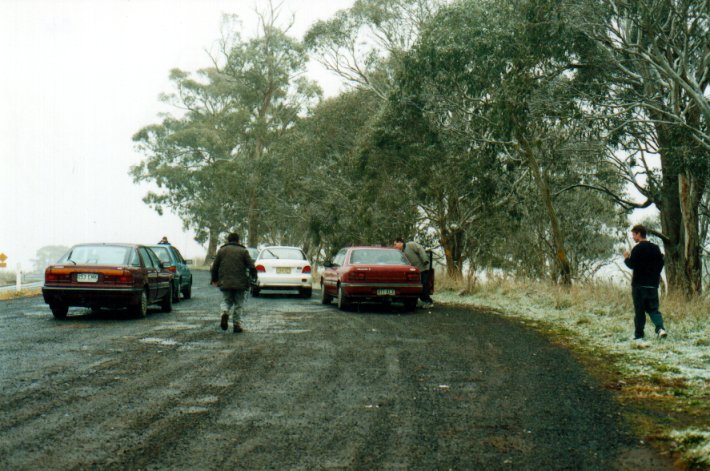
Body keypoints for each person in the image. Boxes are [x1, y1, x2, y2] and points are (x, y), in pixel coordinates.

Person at [623, 224, 667, 340]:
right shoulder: (656, 248)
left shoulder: (637, 249)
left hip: (639, 286)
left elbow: (631, 264)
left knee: (640, 311)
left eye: (633, 234)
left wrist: (626, 258)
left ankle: (639, 336)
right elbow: (661, 263)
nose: (633, 237)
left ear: (638, 234)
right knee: (654, 310)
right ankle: (660, 328)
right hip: (653, 285)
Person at [210, 233, 256, 333]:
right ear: (238, 240)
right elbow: (251, 266)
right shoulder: (243, 251)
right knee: (239, 303)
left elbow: (215, 266)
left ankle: (225, 313)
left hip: (225, 281)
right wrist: (254, 277)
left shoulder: (222, 250)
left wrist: (214, 279)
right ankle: (236, 325)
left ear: (228, 240)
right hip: (240, 282)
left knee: (226, 300)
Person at [394, 237, 434, 306]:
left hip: (423, 269)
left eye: (395, 244)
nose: (394, 246)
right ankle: (420, 301)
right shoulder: (401, 252)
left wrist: (425, 260)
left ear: (400, 242)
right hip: (414, 273)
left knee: (423, 285)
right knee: (416, 287)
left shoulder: (410, 245)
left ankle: (428, 301)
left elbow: (420, 249)